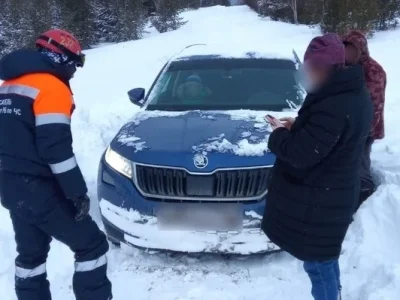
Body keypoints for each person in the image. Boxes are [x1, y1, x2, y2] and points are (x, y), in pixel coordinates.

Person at [0, 29, 112, 300]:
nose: (76, 69)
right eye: (77, 62)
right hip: (37, 186)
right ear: (63, 58)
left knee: (31, 255)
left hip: (10, 186)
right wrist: (76, 193)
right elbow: (55, 149)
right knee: (92, 246)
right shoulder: (51, 88)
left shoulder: (7, 87)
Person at [262, 33, 372, 300]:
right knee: (325, 259)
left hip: (323, 200)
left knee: (318, 265)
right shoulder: (349, 93)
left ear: (332, 68)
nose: (308, 74)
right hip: (332, 194)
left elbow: (302, 154)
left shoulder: (334, 104)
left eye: (315, 69)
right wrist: (298, 126)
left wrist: (278, 134)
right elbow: (330, 138)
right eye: (307, 67)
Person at [342, 30, 387, 211]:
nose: (347, 54)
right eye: (345, 49)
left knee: (360, 167)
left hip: (364, 130)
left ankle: (364, 207)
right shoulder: (346, 67)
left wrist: (362, 131)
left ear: (361, 50)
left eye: (352, 50)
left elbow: (374, 105)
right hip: (348, 127)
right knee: (348, 166)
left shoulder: (373, 71)